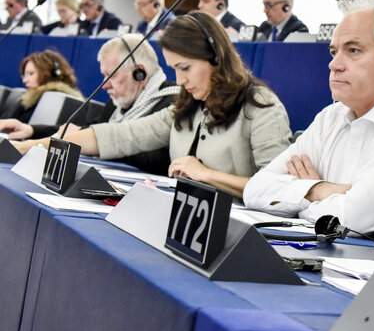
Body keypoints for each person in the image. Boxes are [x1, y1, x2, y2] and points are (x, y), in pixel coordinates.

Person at [13, 12, 292, 197]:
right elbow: (119, 136)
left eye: (185, 68)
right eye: (174, 70)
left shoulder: (261, 106)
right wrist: (22, 148)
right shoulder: (187, 105)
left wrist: (207, 175)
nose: (180, 80)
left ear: (216, 57)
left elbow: (279, 191)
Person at [244, 0, 374, 234]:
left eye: (353, 50)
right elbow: (255, 189)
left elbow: (350, 219)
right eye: (334, 52)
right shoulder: (331, 116)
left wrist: (298, 194)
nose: (334, 64)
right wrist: (318, 189)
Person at [0, 35, 181, 175]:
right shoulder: (117, 104)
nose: (105, 84)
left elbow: (155, 158)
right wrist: (32, 130)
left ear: (139, 72)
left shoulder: (173, 102)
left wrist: (85, 139)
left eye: (111, 76)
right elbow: (85, 130)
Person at [0, 50, 82, 122]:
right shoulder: (28, 99)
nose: (24, 80)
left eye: (30, 74)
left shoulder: (54, 102)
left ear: (51, 74)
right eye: (24, 75)